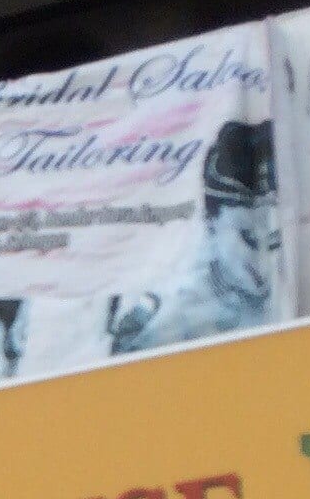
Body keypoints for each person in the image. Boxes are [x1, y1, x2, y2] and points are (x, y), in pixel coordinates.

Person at [101, 120, 281, 355]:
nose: (265, 253)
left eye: (276, 237)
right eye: (249, 237)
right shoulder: (167, 317)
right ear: (212, 224)